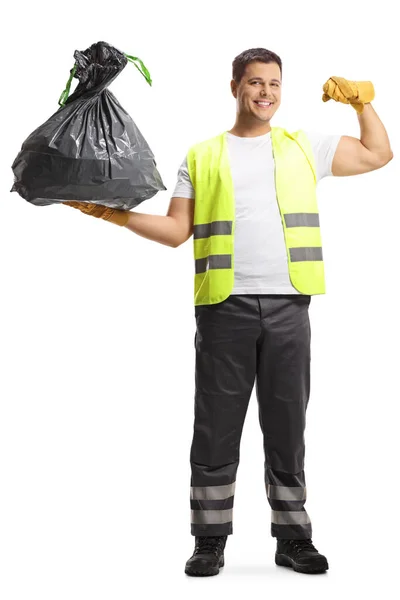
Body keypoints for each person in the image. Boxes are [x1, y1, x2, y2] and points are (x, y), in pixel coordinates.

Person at [63, 48, 393, 576]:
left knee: (286, 423)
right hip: (224, 307)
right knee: (215, 426)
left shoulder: (304, 146)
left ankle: (293, 538)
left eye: (275, 84)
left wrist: (363, 102)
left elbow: (379, 154)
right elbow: (176, 232)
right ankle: (209, 540)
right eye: (255, 82)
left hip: (290, 305)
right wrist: (111, 214)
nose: (266, 92)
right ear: (235, 86)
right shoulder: (201, 156)